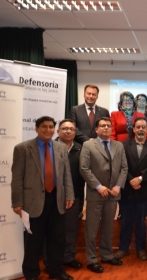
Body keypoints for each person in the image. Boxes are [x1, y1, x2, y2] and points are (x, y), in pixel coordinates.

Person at [11, 116, 74, 280]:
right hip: (33, 201)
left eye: (51, 127)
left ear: (55, 129)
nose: (48, 130)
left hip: (57, 199)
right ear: (37, 128)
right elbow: (17, 177)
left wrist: (69, 195)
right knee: (33, 240)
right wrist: (17, 202)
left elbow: (67, 174)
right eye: (44, 127)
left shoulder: (60, 148)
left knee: (57, 238)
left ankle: (56, 269)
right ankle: (31, 273)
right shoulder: (23, 148)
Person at [80, 117, 128, 273]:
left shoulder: (118, 145)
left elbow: (124, 169)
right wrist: (98, 187)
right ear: (96, 129)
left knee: (108, 227)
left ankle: (107, 255)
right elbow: (84, 169)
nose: (106, 128)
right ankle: (92, 259)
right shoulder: (88, 145)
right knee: (92, 229)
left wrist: (118, 186)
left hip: (113, 194)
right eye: (102, 126)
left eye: (108, 125)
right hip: (96, 194)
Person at [115, 117, 147, 261]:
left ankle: (141, 249)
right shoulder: (123, 145)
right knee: (126, 221)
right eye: (138, 127)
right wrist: (131, 180)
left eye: (143, 127)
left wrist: (140, 178)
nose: (141, 129)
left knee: (141, 222)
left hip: (144, 189)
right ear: (133, 129)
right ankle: (123, 248)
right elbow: (121, 165)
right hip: (127, 190)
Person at [56, 119, 85, 270]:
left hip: (75, 196)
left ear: (75, 133)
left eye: (71, 129)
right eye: (64, 128)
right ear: (58, 131)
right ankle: (52, 261)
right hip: (52, 196)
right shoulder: (50, 148)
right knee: (53, 230)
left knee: (71, 229)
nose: (68, 131)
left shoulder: (80, 149)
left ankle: (68, 257)